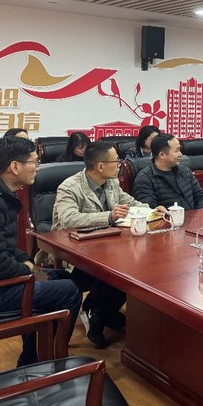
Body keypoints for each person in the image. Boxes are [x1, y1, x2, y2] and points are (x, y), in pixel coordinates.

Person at [0, 137, 81, 366]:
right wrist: (26, 269)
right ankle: (44, 363)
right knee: (68, 290)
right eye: (34, 162)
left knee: (62, 276)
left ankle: (33, 357)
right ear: (15, 167)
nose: (38, 167)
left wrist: (26, 261)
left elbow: (1, 246)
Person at [52, 141, 165, 348]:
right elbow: (68, 220)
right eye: (116, 161)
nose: (120, 165)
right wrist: (108, 216)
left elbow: (129, 202)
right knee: (120, 268)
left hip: (109, 244)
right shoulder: (69, 187)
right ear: (100, 166)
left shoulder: (112, 182)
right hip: (76, 249)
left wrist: (152, 210)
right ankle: (98, 310)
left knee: (135, 265)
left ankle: (99, 311)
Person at [132, 134, 203, 210]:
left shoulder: (185, 171)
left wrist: (200, 214)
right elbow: (151, 210)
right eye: (177, 150)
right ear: (162, 155)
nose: (181, 154)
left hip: (193, 217)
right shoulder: (144, 179)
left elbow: (201, 197)